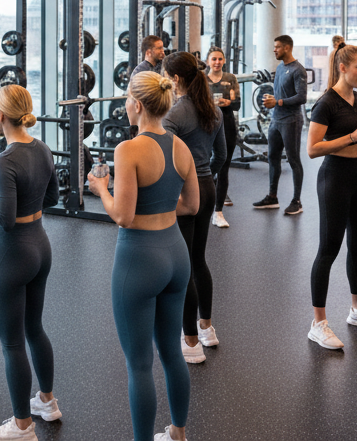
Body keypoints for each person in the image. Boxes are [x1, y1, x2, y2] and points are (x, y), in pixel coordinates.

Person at [88, 71, 199, 441]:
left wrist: (101, 189)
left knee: (139, 364)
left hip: (139, 258)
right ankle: (178, 434)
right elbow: (192, 205)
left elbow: (122, 215)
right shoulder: (180, 147)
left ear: (137, 105)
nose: (124, 105)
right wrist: (162, 208)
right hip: (175, 255)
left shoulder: (128, 150)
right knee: (172, 352)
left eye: (126, 100)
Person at [0, 85, 60, 441]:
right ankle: (47, 402)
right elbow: (53, 196)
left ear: (0, 116)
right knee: (34, 328)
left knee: (11, 343)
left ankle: (23, 426)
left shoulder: (5, 161)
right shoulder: (43, 148)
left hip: (11, 252)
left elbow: (3, 219)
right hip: (40, 244)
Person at [305, 45, 357, 351]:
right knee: (328, 249)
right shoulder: (327, 103)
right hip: (334, 178)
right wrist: (352, 137)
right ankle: (318, 323)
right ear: (342, 67)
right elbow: (312, 149)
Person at [163, 52, 226, 364]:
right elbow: (222, 155)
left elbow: (165, 158)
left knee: (185, 264)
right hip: (208, 187)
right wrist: (204, 176)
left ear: (175, 80)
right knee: (198, 259)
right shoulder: (212, 109)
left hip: (185, 191)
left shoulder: (175, 115)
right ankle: (207, 328)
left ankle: (190, 341)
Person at [254, 35, 308, 215]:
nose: (274, 50)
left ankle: (297, 201)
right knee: (272, 157)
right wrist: (272, 100)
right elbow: (279, 95)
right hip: (276, 119)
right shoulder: (279, 67)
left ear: (287, 48)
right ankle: (272, 197)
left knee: (293, 160)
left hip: (291, 120)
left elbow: (301, 98)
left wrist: (277, 102)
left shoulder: (298, 70)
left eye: (277, 47)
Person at [205, 46, 239, 228]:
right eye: (214, 59)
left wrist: (229, 102)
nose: (217, 62)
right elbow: (197, 102)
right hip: (207, 126)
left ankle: (218, 212)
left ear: (224, 60)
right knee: (204, 165)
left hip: (227, 125)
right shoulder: (202, 79)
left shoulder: (230, 79)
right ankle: (203, 206)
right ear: (208, 61)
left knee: (224, 166)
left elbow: (238, 104)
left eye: (220, 59)